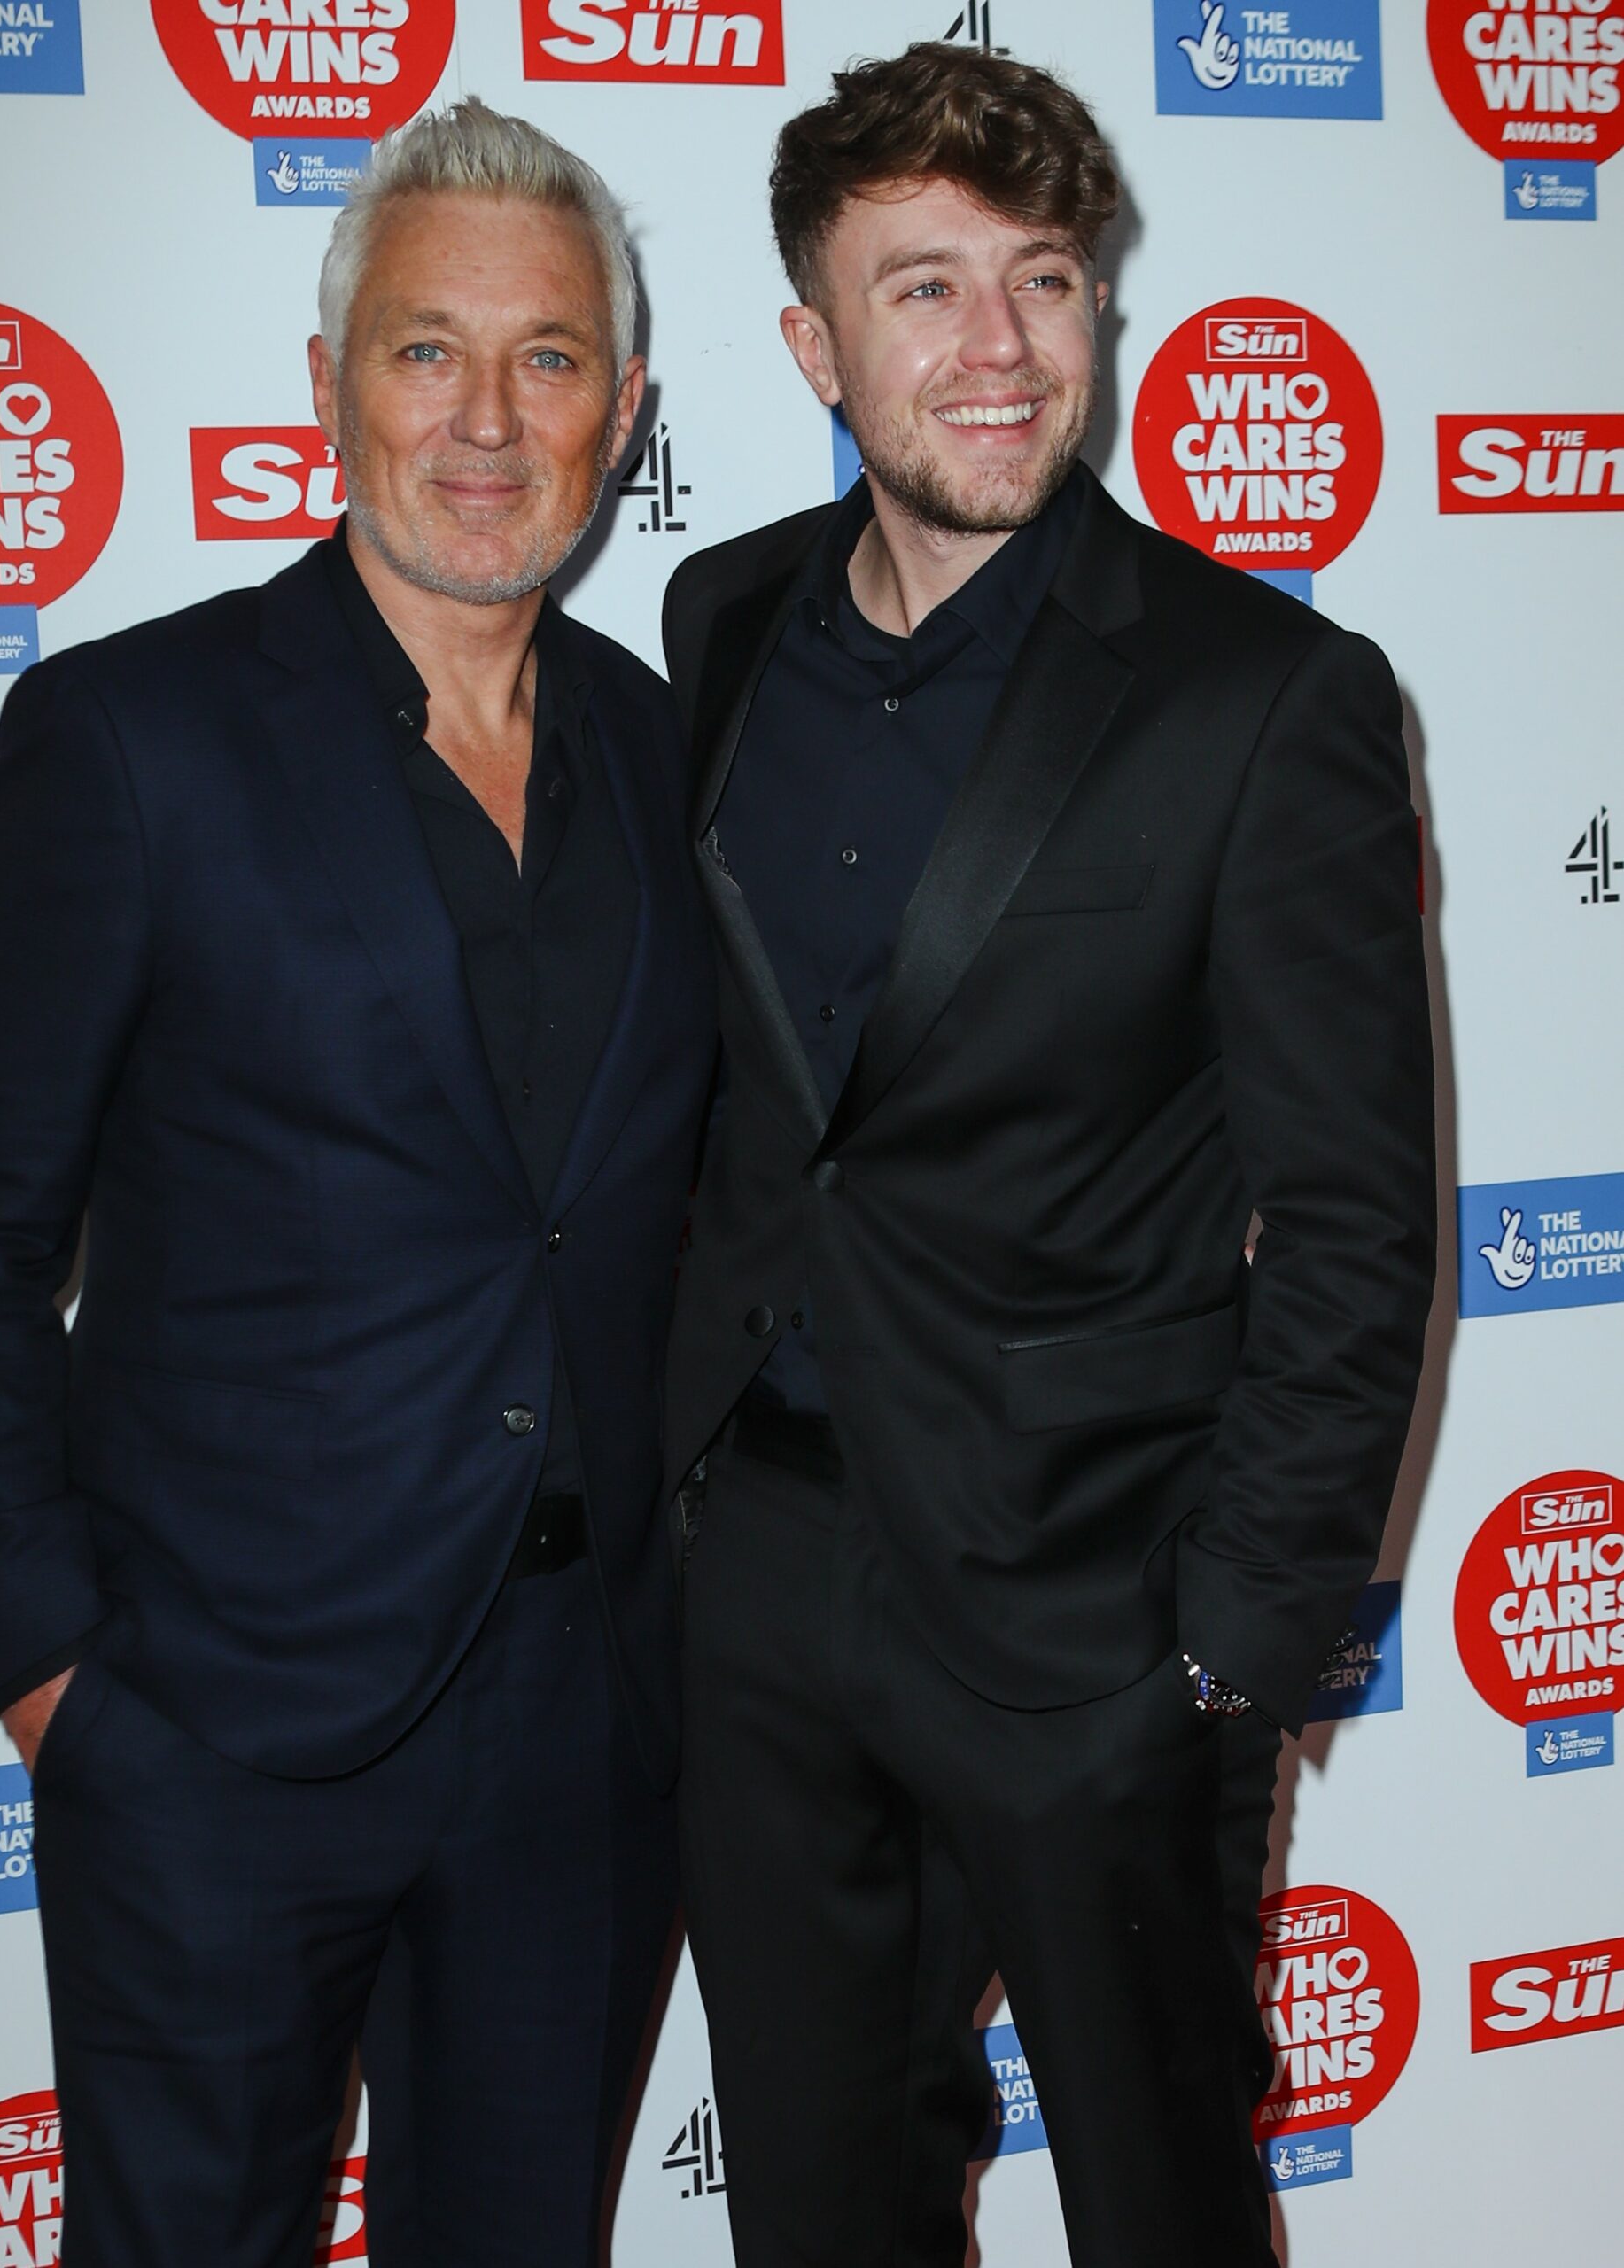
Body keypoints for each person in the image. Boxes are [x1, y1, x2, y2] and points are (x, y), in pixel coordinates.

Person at [0, 98, 714, 2268]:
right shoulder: (130, 741)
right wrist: (57, 1675)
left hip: (582, 1733)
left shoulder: (657, 740)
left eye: (543, 359)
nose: (481, 417)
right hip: (214, 1730)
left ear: (618, 416)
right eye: (424, 349)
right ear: (330, 381)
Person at [660, 43, 1435, 2268]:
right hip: (769, 1580)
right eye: (920, 290)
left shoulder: (1262, 694)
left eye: (1042, 281)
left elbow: (1360, 1217)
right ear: (814, 344)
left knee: (1164, 2214)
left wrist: (1229, 1660)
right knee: (820, 2205)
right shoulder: (716, 627)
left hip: (1101, 1610)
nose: (993, 349)